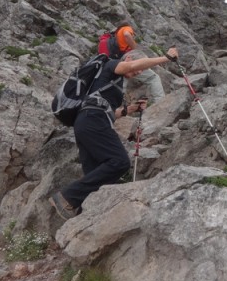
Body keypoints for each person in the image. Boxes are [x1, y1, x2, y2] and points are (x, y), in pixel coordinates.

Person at [49, 47, 179, 220]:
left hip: (86, 122)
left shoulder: (111, 81)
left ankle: (85, 217)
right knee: (120, 162)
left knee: (96, 175)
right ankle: (68, 196)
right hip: (93, 119)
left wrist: (129, 110)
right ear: (129, 59)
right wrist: (166, 58)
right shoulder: (111, 65)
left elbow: (108, 110)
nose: (138, 72)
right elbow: (130, 66)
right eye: (139, 68)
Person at [108, 22, 166, 103]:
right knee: (153, 78)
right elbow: (127, 35)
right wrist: (135, 49)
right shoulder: (127, 28)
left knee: (122, 82)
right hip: (131, 59)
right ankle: (160, 103)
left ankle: (115, 106)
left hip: (119, 61)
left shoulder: (117, 33)